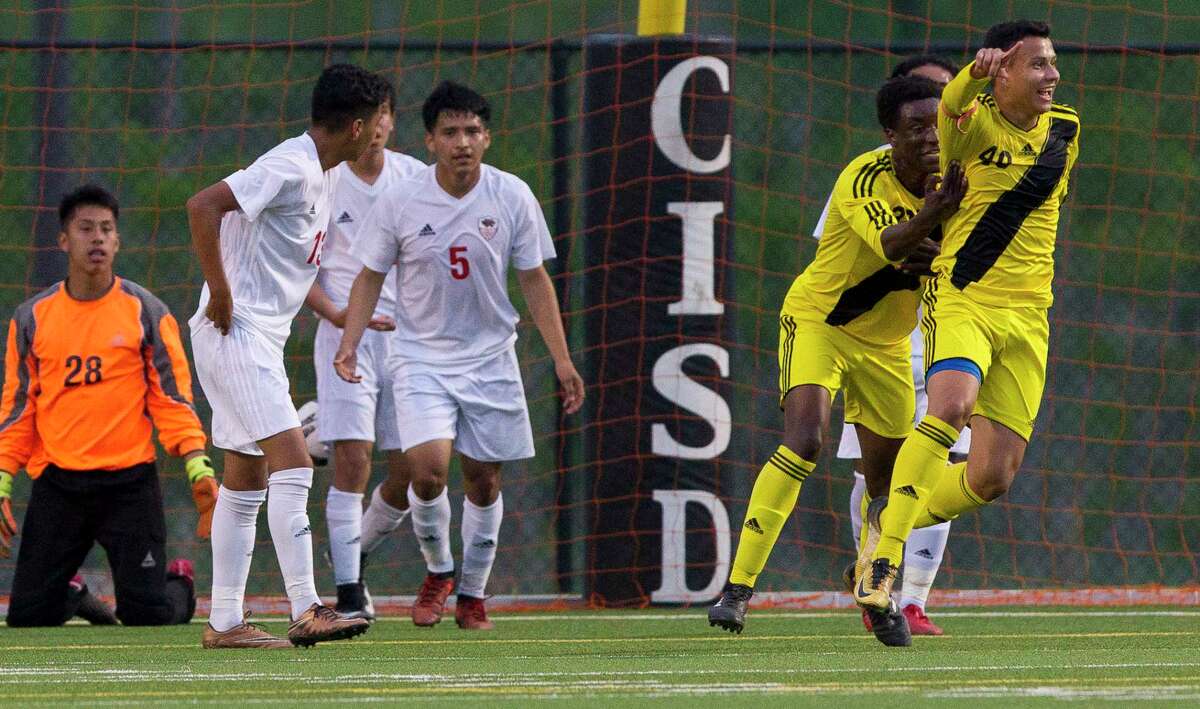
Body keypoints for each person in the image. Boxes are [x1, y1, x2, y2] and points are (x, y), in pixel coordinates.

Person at [708, 76, 966, 646]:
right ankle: (738, 589)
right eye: (916, 127)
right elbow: (898, 245)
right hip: (820, 323)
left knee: (888, 487)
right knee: (805, 441)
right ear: (889, 135)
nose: (930, 138)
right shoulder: (864, 175)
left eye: (937, 125)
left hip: (889, 347)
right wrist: (936, 213)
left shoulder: (963, 180)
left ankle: (876, 593)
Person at [856, 21, 1080, 636]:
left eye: (1052, 63)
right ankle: (884, 563)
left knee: (991, 477)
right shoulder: (968, 121)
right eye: (1035, 64)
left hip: (1029, 314)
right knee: (950, 407)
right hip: (964, 296)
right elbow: (951, 106)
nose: (1051, 75)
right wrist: (969, 79)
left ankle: (887, 520)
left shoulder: (1067, 129)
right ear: (1001, 72)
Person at [335, 80, 584, 630]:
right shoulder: (401, 199)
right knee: (426, 473)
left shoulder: (512, 195)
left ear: (487, 138)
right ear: (430, 141)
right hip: (420, 355)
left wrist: (562, 360)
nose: (462, 142)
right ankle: (439, 570)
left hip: (492, 358)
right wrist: (350, 343)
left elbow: (536, 281)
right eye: (450, 132)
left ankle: (472, 596)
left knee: (484, 481)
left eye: (472, 131)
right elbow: (369, 275)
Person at [186, 63, 390, 648]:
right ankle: (307, 606)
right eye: (376, 125)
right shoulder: (292, 165)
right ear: (355, 126)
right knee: (295, 463)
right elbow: (203, 205)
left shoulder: (324, 173)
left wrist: (331, 314)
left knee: (246, 478)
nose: (379, 135)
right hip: (236, 330)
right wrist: (221, 290)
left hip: (252, 337)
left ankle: (225, 621)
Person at [0, 184, 211, 628]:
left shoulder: (146, 311)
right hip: (58, 484)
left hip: (129, 484)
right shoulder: (31, 318)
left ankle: (180, 584)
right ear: (63, 240)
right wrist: (2, 478)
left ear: (117, 241)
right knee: (27, 617)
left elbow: (171, 399)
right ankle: (73, 594)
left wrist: (198, 466)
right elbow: (19, 410)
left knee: (147, 616)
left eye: (106, 229)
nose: (96, 238)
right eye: (85, 228)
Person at [812, 55, 969, 637]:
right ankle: (876, 580)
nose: (937, 123)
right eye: (925, 110)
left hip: (950, 326)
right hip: (884, 334)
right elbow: (843, 261)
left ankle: (909, 597)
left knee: (947, 458)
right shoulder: (867, 176)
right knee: (876, 471)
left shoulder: (973, 168)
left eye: (948, 104)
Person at [304, 88, 425, 620]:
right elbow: (297, 265)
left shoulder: (416, 179)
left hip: (409, 341)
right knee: (354, 462)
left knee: (417, 472)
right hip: (344, 338)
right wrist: (337, 317)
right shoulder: (324, 182)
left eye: (383, 117)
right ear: (353, 125)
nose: (374, 127)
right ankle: (349, 592)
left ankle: (352, 549)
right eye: (366, 117)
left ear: (391, 124)